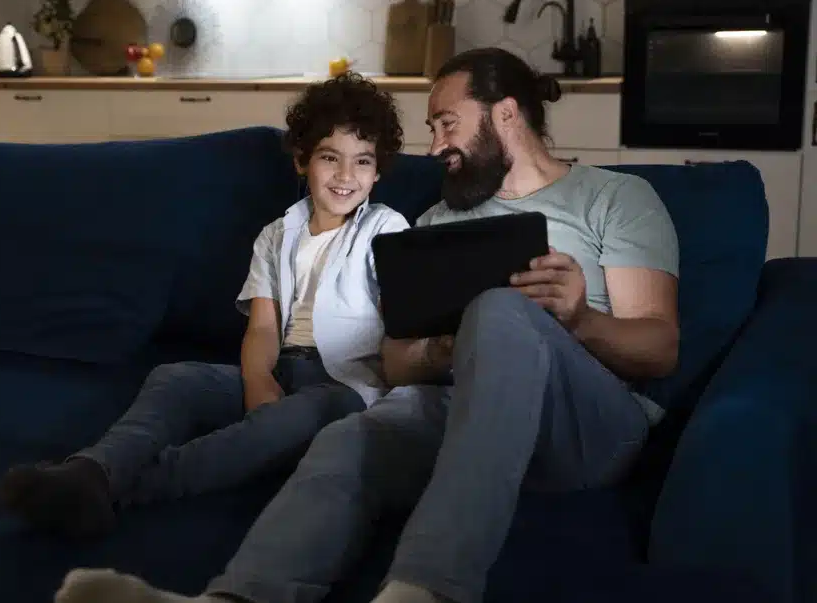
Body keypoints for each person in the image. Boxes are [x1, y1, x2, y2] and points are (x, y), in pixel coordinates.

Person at [52, 47, 681, 603]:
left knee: (499, 309)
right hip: (461, 414)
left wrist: (578, 318)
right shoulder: (434, 222)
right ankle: (238, 597)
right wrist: (454, 348)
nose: (434, 146)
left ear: (507, 115)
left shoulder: (613, 198)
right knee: (351, 435)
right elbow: (400, 362)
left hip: (589, 428)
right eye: (432, 128)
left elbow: (658, 347)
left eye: (446, 123)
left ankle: (427, 588)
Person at [0, 72, 410, 539]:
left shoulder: (387, 231)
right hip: (282, 369)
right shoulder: (277, 235)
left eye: (362, 162)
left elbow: (400, 323)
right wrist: (257, 381)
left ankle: (117, 490)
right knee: (175, 377)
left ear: (378, 172)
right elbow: (263, 329)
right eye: (330, 158)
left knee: (292, 419)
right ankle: (93, 468)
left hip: (343, 385)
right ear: (302, 160)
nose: (345, 176)